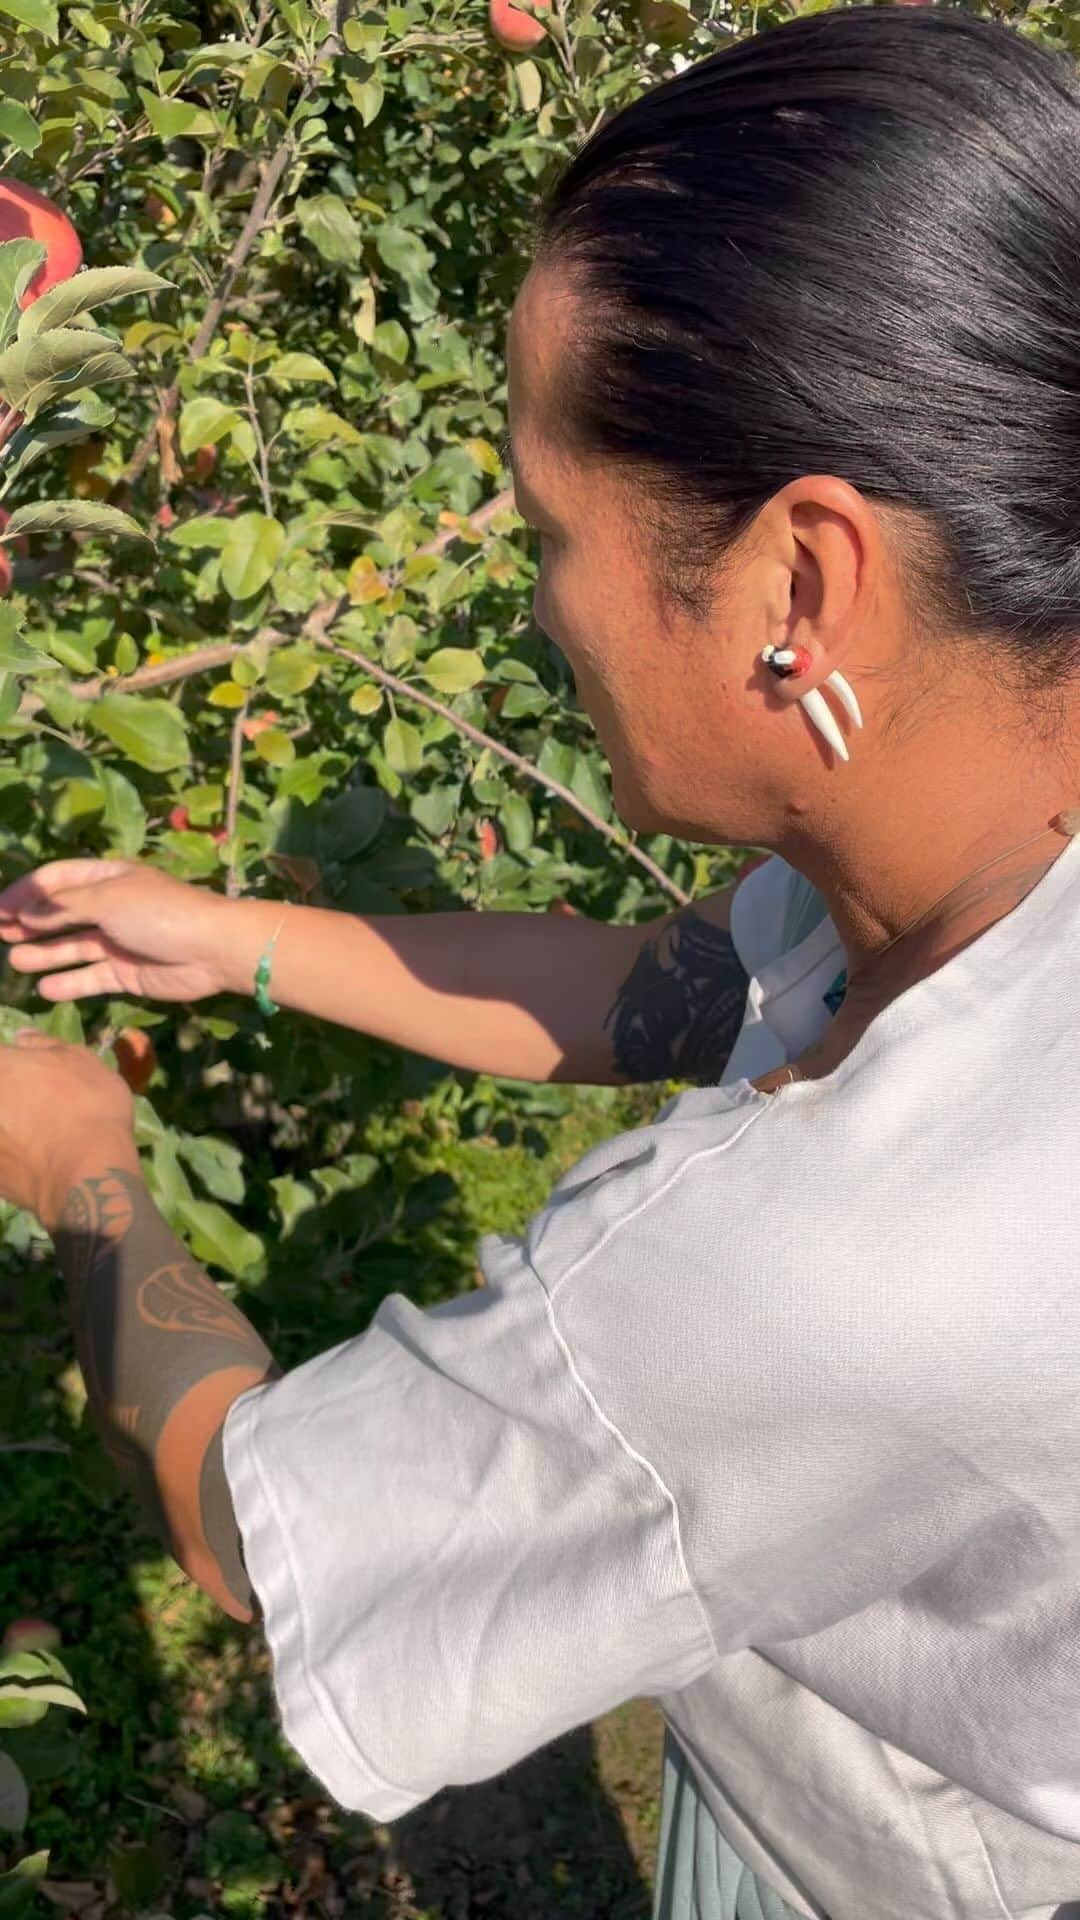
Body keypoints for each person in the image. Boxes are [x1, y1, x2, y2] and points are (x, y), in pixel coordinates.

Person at [2, 5, 1080, 1915]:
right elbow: (674, 988)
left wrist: (79, 1165)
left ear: (798, 583)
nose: (532, 600)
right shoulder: (992, 821)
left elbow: (262, 1535)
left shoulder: (804, 1267)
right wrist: (238, 939)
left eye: (543, 527)